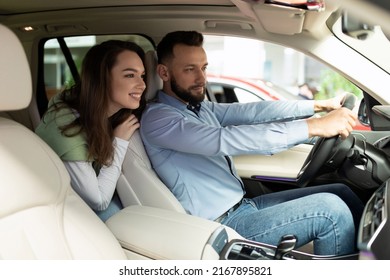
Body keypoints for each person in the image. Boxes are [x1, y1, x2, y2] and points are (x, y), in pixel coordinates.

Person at [140, 31, 364, 256]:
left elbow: (254, 111)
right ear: (164, 73)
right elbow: (223, 140)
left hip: (244, 206)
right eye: (190, 69)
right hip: (222, 227)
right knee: (331, 210)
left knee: (341, 191)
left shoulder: (196, 107)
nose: (201, 78)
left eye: (204, 68)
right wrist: (315, 127)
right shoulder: (159, 119)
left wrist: (319, 106)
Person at [36, 40, 146, 221]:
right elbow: (99, 201)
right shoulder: (66, 125)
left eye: (142, 75)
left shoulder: (106, 112)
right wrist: (119, 143)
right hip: (54, 209)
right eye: (129, 75)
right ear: (101, 78)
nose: (142, 85)